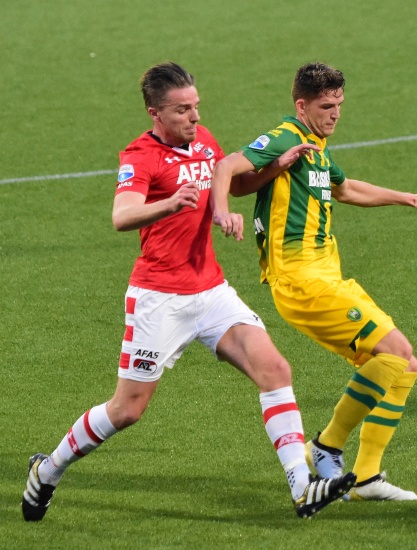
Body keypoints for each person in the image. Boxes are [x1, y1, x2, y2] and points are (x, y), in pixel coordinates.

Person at [21, 62, 356, 523]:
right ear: (155, 113)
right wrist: (170, 203)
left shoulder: (203, 142)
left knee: (274, 368)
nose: (194, 117)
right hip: (159, 298)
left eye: (196, 107)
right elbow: (122, 216)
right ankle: (48, 468)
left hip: (210, 290)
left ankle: (302, 487)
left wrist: (273, 169)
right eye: (182, 110)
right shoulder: (139, 156)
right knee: (126, 410)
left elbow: (235, 184)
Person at [210, 62, 417, 501]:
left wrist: (410, 198)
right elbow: (225, 166)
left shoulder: (316, 148)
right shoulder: (287, 136)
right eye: (326, 106)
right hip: (301, 280)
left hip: (329, 277)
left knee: (405, 365)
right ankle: (324, 447)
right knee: (395, 353)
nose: (335, 113)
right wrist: (222, 211)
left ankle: (365, 475)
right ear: (302, 106)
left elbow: (345, 189)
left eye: (339, 104)